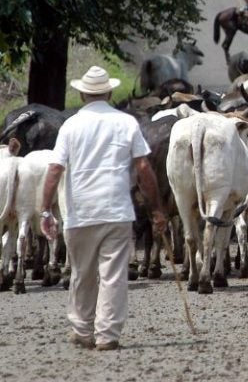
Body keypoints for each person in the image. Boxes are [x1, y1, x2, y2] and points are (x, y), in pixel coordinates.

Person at [40, 66, 167, 351]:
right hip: (116, 210)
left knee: (82, 273)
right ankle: (107, 335)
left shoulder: (70, 125)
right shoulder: (126, 122)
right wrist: (157, 208)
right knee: (113, 275)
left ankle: (82, 330)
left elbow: (55, 168)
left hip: (79, 212)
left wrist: (46, 211)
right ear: (109, 92)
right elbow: (144, 167)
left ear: (83, 94)